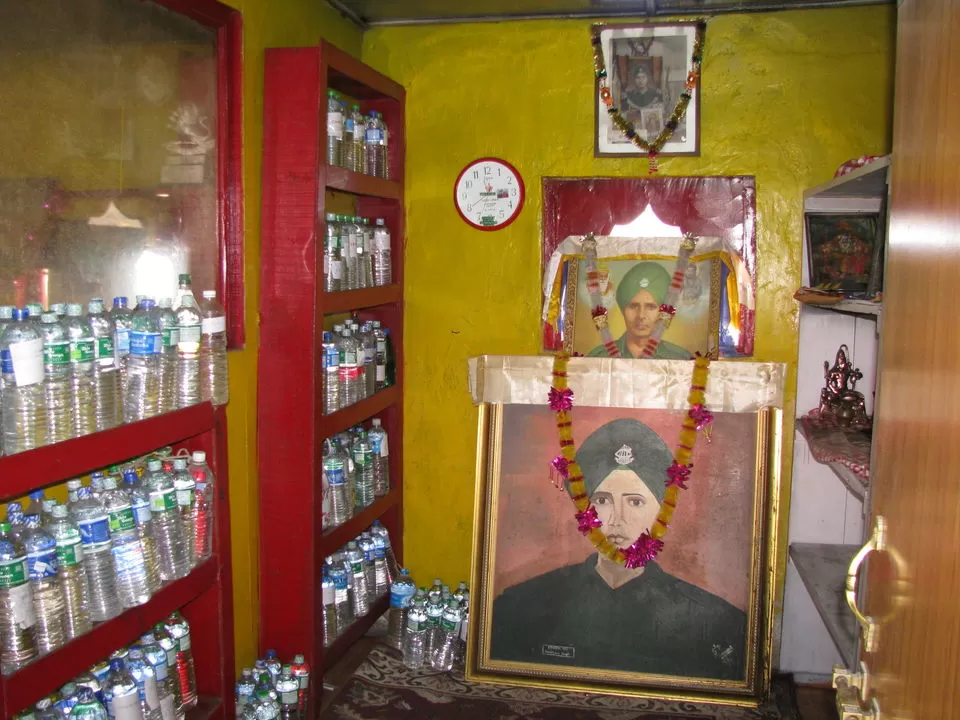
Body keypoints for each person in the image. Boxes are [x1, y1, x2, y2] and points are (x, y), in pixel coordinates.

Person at [490, 418, 747, 680]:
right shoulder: (521, 605)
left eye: (635, 502)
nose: (617, 520)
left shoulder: (713, 621)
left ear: (660, 511)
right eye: (602, 500)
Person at [587, 261, 693, 359]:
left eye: (651, 307)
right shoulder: (598, 358)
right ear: (623, 310)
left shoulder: (680, 359)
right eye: (633, 306)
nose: (641, 315)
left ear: (664, 312)